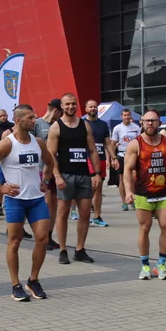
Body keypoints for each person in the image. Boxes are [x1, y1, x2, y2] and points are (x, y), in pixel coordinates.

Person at [0, 104, 54, 301]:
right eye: (30, 117)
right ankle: (15, 284)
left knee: (43, 239)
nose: (34, 120)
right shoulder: (7, 144)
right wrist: (0, 187)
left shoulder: (38, 142)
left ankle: (33, 280)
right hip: (15, 200)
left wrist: (45, 180)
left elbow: (50, 161)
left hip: (36, 198)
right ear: (18, 120)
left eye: (34, 117)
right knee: (15, 241)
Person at [123, 109, 166, 280]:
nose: (150, 123)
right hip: (143, 194)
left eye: (153, 120)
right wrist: (128, 192)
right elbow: (127, 170)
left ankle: (161, 264)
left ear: (159, 122)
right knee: (145, 228)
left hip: (163, 193)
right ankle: (145, 266)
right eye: (147, 121)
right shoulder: (135, 144)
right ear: (142, 122)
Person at [47, 93, 101, 264]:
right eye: (67, 104)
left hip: (84, 175)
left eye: (73, 104)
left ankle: (80, 249)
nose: (70, 107)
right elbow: (50, 155)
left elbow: (93, 151)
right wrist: (57, 176)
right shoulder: (56, 127)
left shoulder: (85, 126)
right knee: (62, 213)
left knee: (85, 213)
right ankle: (63, 250)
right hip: (65, 175)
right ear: (61, 107)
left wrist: (96, 173)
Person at [34, 100, 63, 249]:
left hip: (56, 167)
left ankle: (49, 235)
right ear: (55, 110)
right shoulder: (38, 124)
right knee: (45, 202)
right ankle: (42, 236)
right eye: (61, 112)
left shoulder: (58, 125)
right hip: (40, 168)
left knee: (54, 202)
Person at [82, 100, 111, 228]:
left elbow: (108, 143)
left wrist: (113, 158)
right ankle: (85, 215)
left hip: (101, 159)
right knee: (90, 187)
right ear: (86, 109)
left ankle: (97, 216)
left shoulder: (103, 125)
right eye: (91, 107)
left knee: (99, 187)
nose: (93, 108)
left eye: (95, 106)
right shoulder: (82, 124)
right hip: (87, 158)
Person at [109, 108, 140, 211]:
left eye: (128, 115)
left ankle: (133, 199)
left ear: (130, 116)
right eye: (125, 115)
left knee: (134, 178)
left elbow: (140, 143)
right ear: (121, 116)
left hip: (134, 156)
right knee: (122, 178)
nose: (126, 117)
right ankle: (124, 201)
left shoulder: (136, 127)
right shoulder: (117, 128)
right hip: (122, 155)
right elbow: (113, 144)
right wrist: (113, 159)